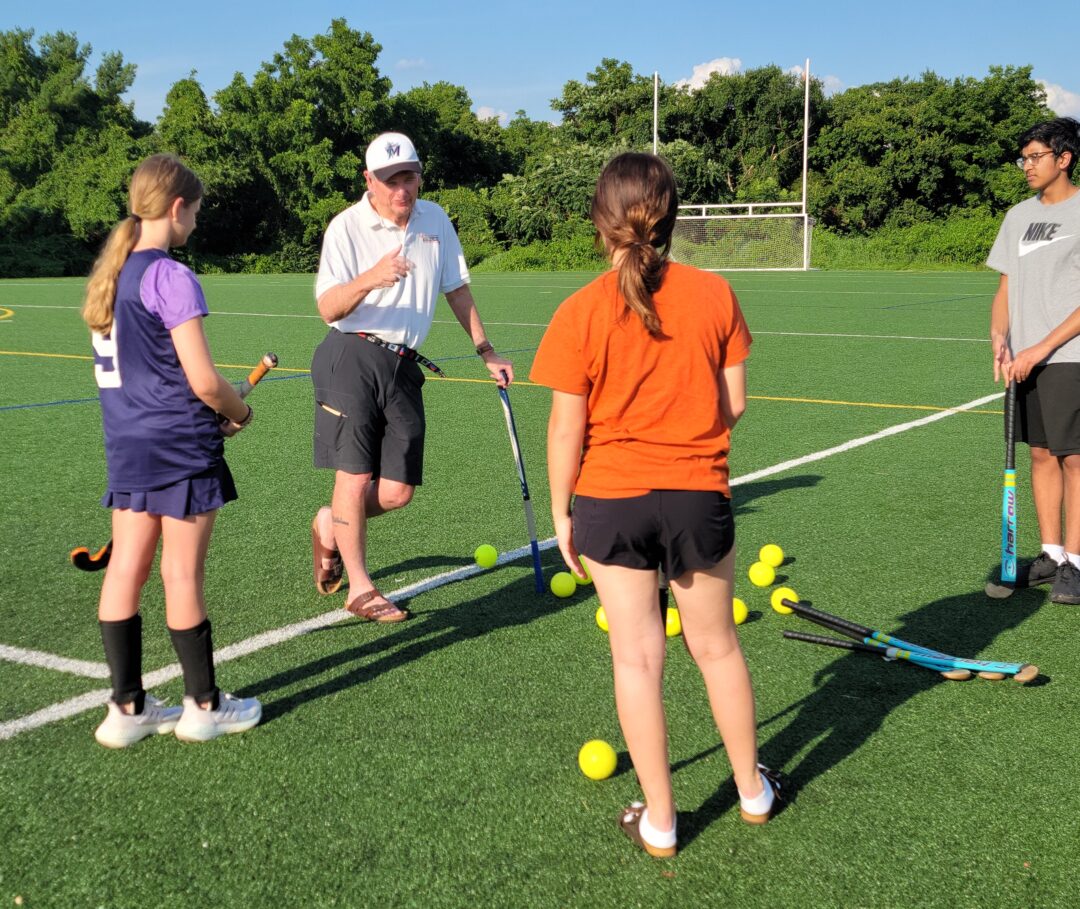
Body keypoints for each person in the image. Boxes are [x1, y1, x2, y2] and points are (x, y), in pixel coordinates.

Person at [530, 152, 783, 858]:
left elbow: (565, 428)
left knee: (637, 660)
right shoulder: (714, 292)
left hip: (610, 501)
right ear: (671, 213)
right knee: (717, 647)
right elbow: (732, 404)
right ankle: (753, 791)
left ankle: (662, 823)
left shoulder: (579, 309)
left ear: (599, 221)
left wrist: (562, 515)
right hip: (698, 494)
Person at [82, 153, 262, 747]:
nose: (197, 224)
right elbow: (205, 381)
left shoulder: (109, 275)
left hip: (126, 444)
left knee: (127, 570)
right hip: (180, 445)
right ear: (177, 207)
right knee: (181, 571)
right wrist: (239, 412)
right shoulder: (170, 275)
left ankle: (127, 709)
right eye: (197, 212)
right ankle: (203, 706)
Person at [310, 132, 513, 622]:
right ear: (370, 181)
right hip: (350, 354)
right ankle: (360, 588)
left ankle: (329, 524)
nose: (403, 188)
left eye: (410, 176)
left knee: (398, 491)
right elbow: (327, 308)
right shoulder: (346, 227)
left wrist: (485, 350)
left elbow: (456, 289)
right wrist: (370, 278)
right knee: (354, 476)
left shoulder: (435, 219)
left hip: (404, 364)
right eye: (391, 179)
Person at [988, 117, 1080, 603]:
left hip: (1069, 355)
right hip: (1025, 359)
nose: (1026, 166)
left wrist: (1042, 346)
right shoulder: (1018, 216)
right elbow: (1007, 285)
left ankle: (1077, 562)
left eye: (1035, 157)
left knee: (1074, 460)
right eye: (1024, 158)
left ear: (1063, 159)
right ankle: (1051, 554)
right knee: (1041, 455)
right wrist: (999, 335)